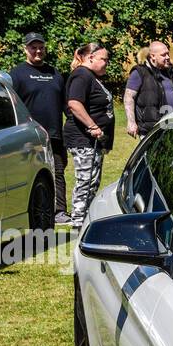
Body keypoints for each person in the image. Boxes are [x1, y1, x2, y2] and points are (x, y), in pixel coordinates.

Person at [10, 32, 70, 225]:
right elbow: (11, 104)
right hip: (28, 135)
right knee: (30, 174)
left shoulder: (55, 74)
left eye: (41, 47)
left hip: (54, 134)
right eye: (33, 47)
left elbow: (65, 105)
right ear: (25, 49)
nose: (38, 51)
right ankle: (31, 212)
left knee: (58, 172)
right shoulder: (17, 74)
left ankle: (60, 212)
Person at [63, 43, 115, 228]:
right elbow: (74, 104)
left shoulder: (90, 76)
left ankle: (86, 218)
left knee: (93, 180)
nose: (106, 63)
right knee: (85, 180)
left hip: (94, 141)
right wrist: (92, 126)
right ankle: (78, 222)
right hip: (83, 139)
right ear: (90, 57)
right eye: (104, 59)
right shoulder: (82, 75)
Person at [125, 41, 173, 139]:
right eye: (163, 55)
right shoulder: (140, 72)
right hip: (151, 130)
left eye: (168, 54)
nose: (168, 57)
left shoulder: (170, 72)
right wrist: (131, 122)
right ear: (152, 56)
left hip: (172, 127)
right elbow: (128, 96)